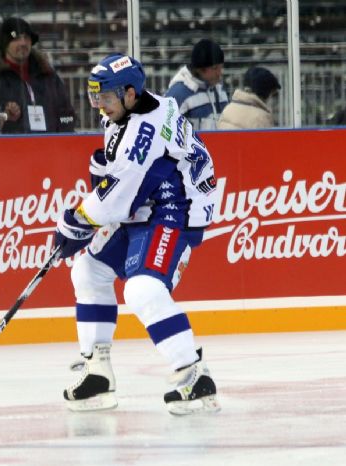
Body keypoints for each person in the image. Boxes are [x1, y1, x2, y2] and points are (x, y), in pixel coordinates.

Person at [53, 54, 221, 415]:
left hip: (174, 212)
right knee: (88, 271)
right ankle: (97, 372)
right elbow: (120, 183)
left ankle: (195, 375)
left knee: (142, 288)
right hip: (145, 204)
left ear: (130, 93)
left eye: (106, 97)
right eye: (94, 96)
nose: (98, 105)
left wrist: (75, 221)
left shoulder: (142, 132)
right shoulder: (130, 108)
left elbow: (115, 198)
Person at [0, 17, 76, 133]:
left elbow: (67, 114)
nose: (23, 43)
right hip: (12, 147)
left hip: (51, 146)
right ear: (5, 44)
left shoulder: (48, 74)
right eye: (16, 39)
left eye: (26, 38)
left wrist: (63, 138)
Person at [165, 38, 229, 130]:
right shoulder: (178, 94)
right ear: (200, 69)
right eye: (215, 68)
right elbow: (166, 132)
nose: (219, 73)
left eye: (221, 67)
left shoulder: (219, 88)